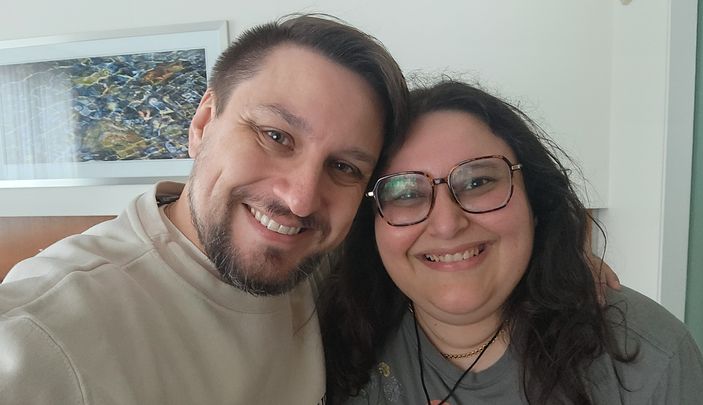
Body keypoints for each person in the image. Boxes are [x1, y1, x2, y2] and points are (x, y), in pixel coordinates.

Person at [0, 14, 409, 404]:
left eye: (343, 168)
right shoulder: (47, 333)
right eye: (275, 136)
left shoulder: (318, 267)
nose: (300, 200)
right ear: (203, 123)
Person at [319, 80, 703, 404]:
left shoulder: (649, 357)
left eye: (478, 182)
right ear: (369, 222)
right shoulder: (324, 331)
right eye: (405, 192)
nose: (446, 224)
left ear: (534, 200)